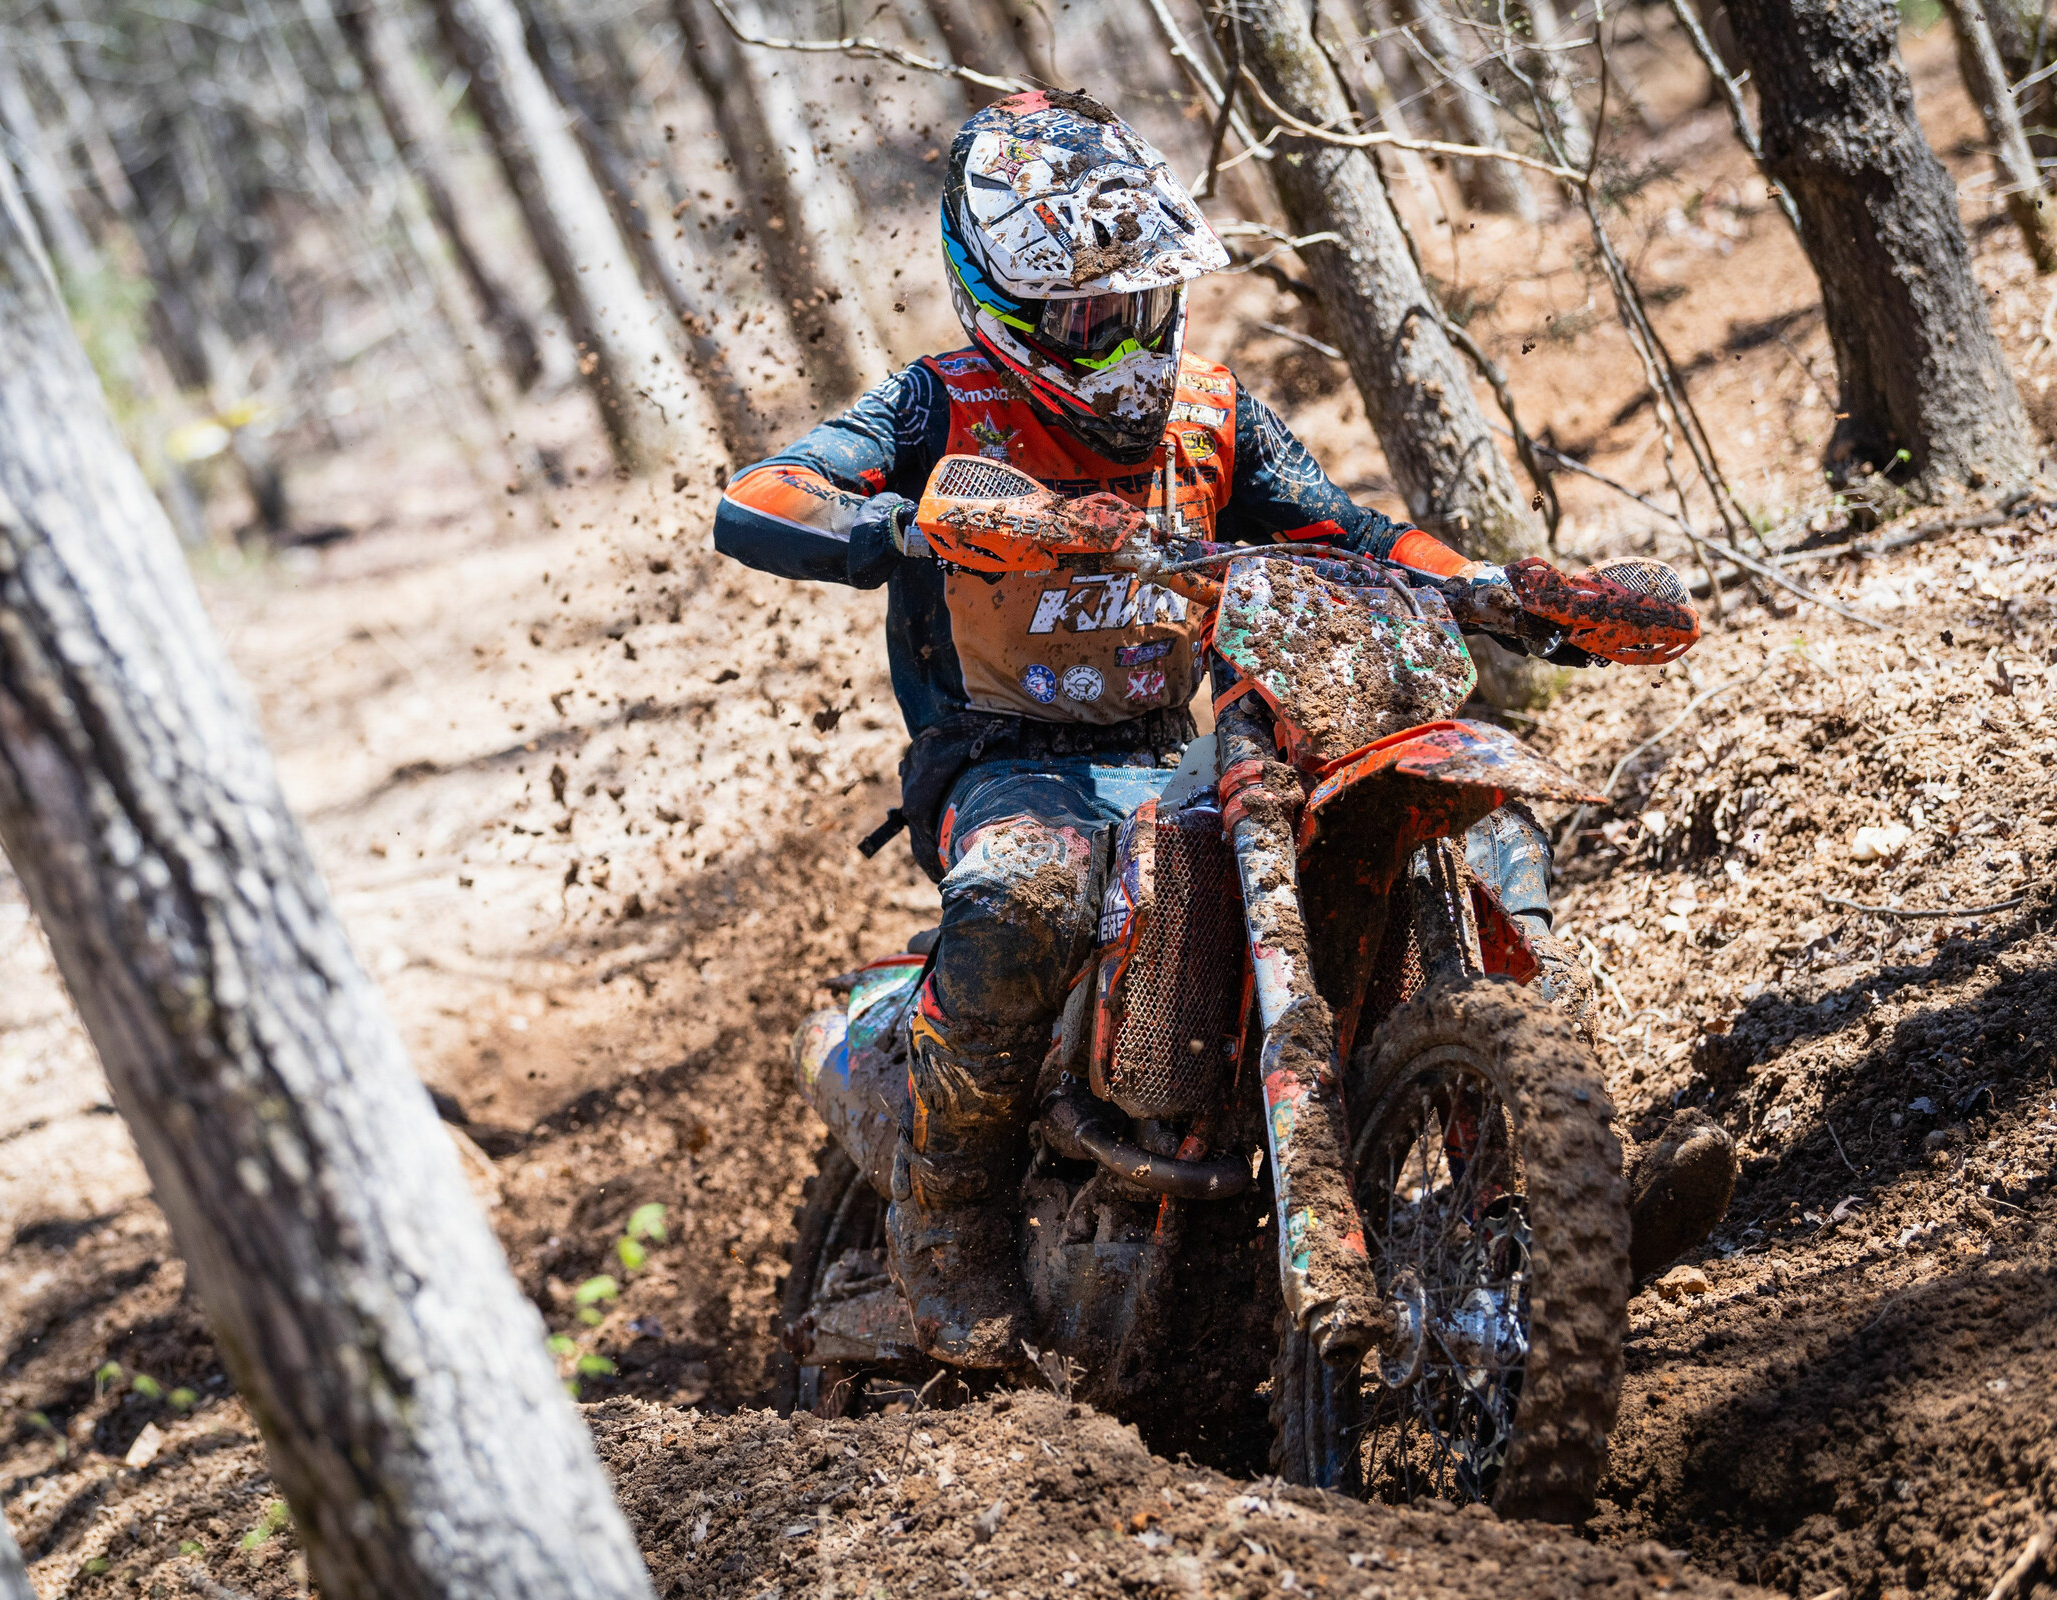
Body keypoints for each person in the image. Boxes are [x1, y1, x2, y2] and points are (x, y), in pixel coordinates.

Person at [712, 89, 1730, 1367]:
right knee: (1028, 893)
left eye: (1140, 302)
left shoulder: (1210, 412)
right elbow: (760, 497)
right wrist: (905, 523)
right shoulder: (939, 408)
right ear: (1008, 311)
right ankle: (949, 1223)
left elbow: (1346, 534)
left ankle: (1541, 1191)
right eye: (1088, 318)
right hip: (1010, 763)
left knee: (1481, 843)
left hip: (1183, 745)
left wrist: (1485, 586)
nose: (1122, 337)